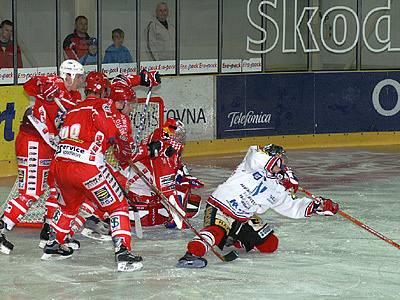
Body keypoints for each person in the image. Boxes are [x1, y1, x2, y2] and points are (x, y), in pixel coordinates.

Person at [42, 73, 162, 272]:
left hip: (60, 166)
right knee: (117, 206)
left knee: (68, 208)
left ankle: (54, 245)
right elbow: (124, 152)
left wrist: (141, 78)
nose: (131, 107)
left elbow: (120, 82)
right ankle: (123, 253)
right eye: (129, 103)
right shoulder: (106, 108)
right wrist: (147, 150)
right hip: (86, 167)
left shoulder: (75, 107)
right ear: (106, 92)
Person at [176, 144, 340, 268]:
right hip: (221, 206)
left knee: (270, 245)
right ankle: (191, 255)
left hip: (243, 217)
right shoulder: (252, 160)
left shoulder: (277, 186)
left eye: (283, 161)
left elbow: (290, 206)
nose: (283, 164)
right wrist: (281, 173)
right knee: (216, 231)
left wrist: (316, 207)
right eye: (280, 160)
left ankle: (233, 238)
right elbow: (258, 158)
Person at [0, 59, 85, 255]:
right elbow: (29, 86)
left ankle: (50, 231)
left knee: (57, 186)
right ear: (68, 75)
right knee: (31, 192)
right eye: (78, 76)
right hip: (33, 142)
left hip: (51, 145)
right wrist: (43, 86)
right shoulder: (52, 82)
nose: (81, 80)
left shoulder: (76, 95)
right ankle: (2, 227)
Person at [126, 118, 204, 228]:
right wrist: (180, 218)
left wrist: (186, 176)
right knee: (174, 185)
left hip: (142, 176)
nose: (180, 138)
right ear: (168, 132)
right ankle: (174, 216)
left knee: (179, 181)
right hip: (136, 181)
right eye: (177, 135)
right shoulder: (163, 152)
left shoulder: (162, 139)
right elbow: (165, 187)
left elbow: (175, 166)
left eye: (181, 135)